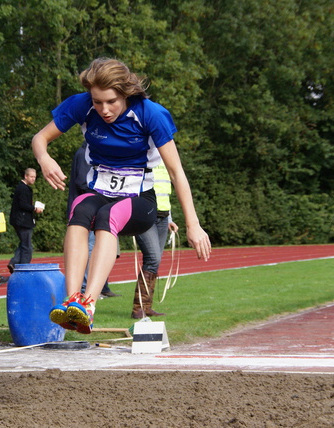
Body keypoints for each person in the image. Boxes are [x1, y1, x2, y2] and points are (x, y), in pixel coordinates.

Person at [33, 57, 211, 334]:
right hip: (101, 192)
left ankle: (89, 305)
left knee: (108, 215)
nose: (104, 109)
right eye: (97, 101)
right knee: (79, 208)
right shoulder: (81, 105)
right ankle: (72, 303)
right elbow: (39, 138)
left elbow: (177, 173)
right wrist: (44, 158)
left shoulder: (150, 114)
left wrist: (194, 224)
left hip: (141, 202)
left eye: (112, 101)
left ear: (126, 93)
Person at [69, 142, 121, 298]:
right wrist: (105, 193)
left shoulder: (96, 154)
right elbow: (82, 182)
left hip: (100, 210)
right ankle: (85, 289)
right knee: (90, 249)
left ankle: (102, 287)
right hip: (88, 211)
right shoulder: (84, 154)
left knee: (102, 248)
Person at [132, 163, 178, 318]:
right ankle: (138, 308)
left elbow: (164, 194)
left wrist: (170, 218)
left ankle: (146, 307)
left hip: (163, 217)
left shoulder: (166, 163)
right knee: (153, 257)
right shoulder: (144, 159)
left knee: (155, 261)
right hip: (146, 216)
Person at [7, 168, 43, 273]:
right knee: (27, 247)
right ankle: (24, 268)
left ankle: (14, 263)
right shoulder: (23, 189)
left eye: (34, 177)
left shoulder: (22, 188)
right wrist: (34, 208)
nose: (33, 179)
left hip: (19, 220)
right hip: (23, 220)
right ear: (26, 176)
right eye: (31, 177)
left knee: (24, 243)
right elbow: (22, 204)